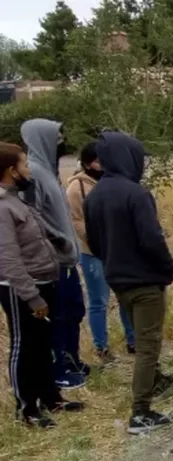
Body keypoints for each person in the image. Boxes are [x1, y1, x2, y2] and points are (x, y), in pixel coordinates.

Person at [84, 131, 173, 434]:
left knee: (142, 335)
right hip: (144, 280)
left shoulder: (95, 194)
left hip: (117, 278)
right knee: (148, 344)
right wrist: (167, 266)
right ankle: (140, 412)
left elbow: (94, 241)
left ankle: (156, 379)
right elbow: (151, 239)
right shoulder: (136, 194)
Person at [0, 142, 84, 427]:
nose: (29, 171)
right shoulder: (2, 207)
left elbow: (39, 227)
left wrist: (60, 242)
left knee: (44, 343)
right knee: (26, 346)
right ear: (11, 171)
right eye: (24, 166)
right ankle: (27, 410)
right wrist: (32, 297)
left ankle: (51, 398)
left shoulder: (17, 199)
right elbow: (8, 260)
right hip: (21, 289)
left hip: (45, 280)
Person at [20, 118, 88, 390]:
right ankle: (57, 370)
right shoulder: (34, 174)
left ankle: (72, 361)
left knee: (74, 312)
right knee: (57, 318)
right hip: (53, 262)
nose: (62, 142)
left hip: (68, 261)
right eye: (58, 138)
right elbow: (31, 216)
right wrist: (58, 240)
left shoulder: (49, 170)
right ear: (43, 139)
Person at [67, 141, 136, 362]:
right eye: (97, 161)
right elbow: (76, 221)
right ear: (88, 163)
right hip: (93, 253)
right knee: (99, 301)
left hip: (118, 249)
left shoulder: (115, 180)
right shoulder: (76, 188)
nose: (102, 164)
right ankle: (101, 347)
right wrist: (96, 240)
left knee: (126, 297)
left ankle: (133, 340)